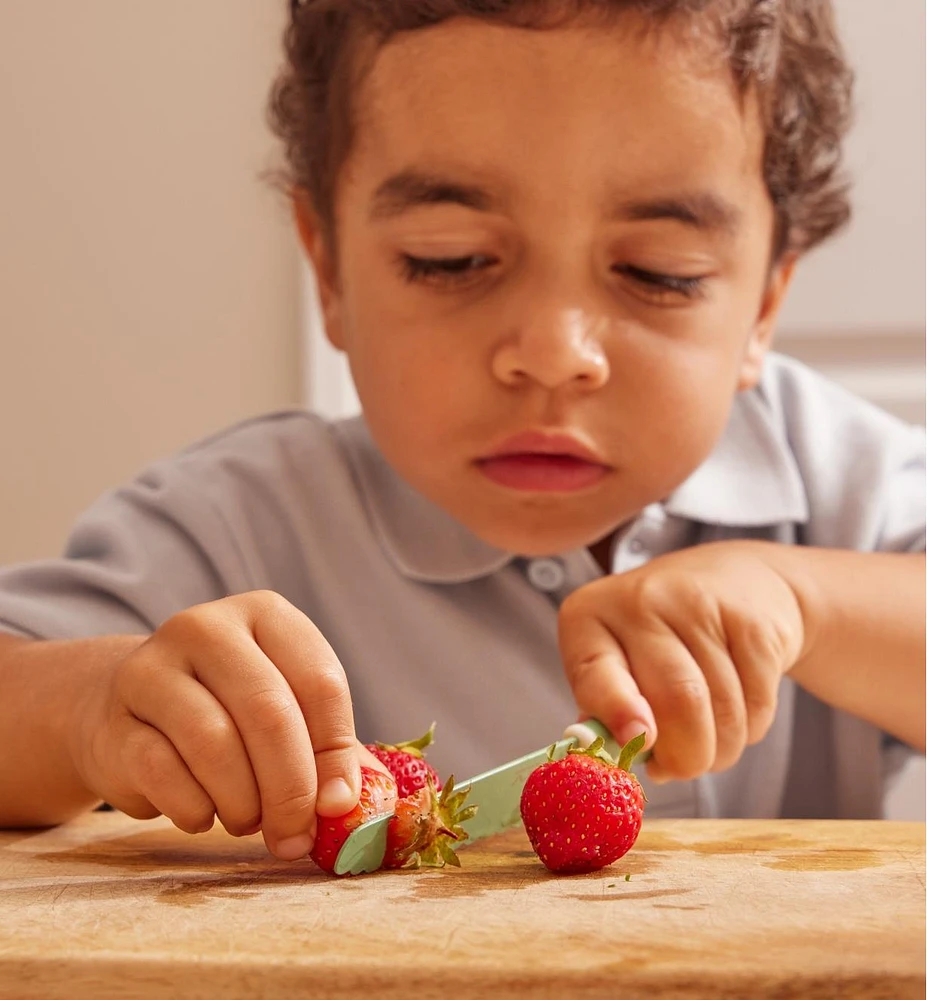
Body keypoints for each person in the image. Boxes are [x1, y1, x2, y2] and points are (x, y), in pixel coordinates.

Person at [0, 0, 923, 863]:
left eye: (658, 272)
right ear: (328, 270)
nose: (553, 355)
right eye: (452, 261)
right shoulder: (238, 523)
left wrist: (809, 605)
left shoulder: (842, 483)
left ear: (764, 303)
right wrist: (89, 711)